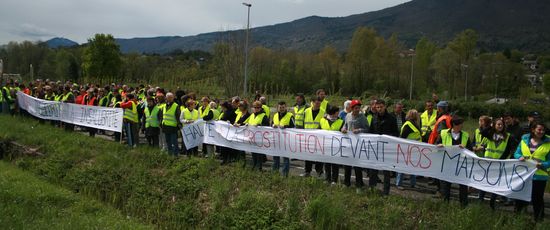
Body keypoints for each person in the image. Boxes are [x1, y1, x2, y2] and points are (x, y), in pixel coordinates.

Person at [514, 121, 549, 221]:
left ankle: (538, 220)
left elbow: (549, 160)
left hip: (539, 175)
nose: (541, 131)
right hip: (523, 175)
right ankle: (517, 218)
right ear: (533, 130)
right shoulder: (524, 140)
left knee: (537, 199)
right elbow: (517, 153)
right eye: (539, 129)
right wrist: (519, 157)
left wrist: (543, 164)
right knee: (520, 197)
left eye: (543, 130)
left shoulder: (549, 143)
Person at [477, 118, 513, 209]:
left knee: (495, 183)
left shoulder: (508, 136)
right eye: (498, 124)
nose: (500, 126)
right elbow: (482, 132)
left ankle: (492, 202)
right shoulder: (490, 134)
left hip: (499, 163)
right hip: (488, 162)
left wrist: (502, 160)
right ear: (494, 125)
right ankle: (480, 199)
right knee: (484, 181)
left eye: (502, 124)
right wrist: (490, 126)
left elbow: (508, 150)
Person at [436, 116, 472, 206]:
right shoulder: (444, 133)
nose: (462, 126)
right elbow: (436, 144)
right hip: (447, 164)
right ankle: (445, 205)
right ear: (454, 125)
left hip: (461, 165)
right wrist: (439, 145)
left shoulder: (465, 135)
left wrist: (465, 148)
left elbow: (470, 149)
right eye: (460, 124)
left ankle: (463, 206)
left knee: (463, 187)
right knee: (445, 186)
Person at [369, 99, 398, 195]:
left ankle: (386, 192)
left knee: (386, 172)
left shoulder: (391, 118)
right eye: (378, 107)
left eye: (381, 107)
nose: (379, 109)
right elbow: (370, 132)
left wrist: (386, 137)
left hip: (387, 149)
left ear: (385, 106)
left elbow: (396, 133)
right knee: (373, 170)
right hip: (375, 148)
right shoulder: (374, 118)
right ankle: (372, 189)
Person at [341, 100, 368, 191]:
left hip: (358, 145)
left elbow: (367, 128)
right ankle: (346, 183)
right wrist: (343, 129)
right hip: (348, 144)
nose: (357, 110)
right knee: (347, 165)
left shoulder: (362, 117)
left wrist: (359, 130)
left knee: (357, 166)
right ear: (351, 108)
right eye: (356, 108)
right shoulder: (347, 116)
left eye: (358, 108)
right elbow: (345, 125)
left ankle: (359, 184)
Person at [396, 109, 421, 190]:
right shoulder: (408, 125)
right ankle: (398, 183)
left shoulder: (413, 124)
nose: (418, 116)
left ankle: (413, 184)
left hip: (413, 149)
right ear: (414, 116)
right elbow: (403, 138)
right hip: (406, 149)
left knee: (412, 166)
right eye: (417, 115)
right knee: (403, 166)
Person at [301, 96, 325, 177]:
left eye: (320, 103)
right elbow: (304, 123)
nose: (318, 105)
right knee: (308, 155)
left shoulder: (323, 112)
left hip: (319, 138)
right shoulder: (306, 111)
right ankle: (307, 171)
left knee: (319, 155)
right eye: (317, 103)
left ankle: (319, 171)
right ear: (312, 102)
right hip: (308, 137)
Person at [321, 105, 344, 185]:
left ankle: (334, 180)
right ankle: (327, 178)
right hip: (326, 145)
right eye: (337, 112)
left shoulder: (341, 121)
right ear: (333, 113)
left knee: (335, 164)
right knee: (327, 163)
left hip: (336, 146)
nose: (338, 113)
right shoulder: (322, 120)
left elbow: (343, 131)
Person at [272, 101, 294, 177]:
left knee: (285, 158)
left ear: (286, 107)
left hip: (286, 141)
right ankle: (275, 173)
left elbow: (293, 128)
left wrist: (285, 126)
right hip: (276, 140)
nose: (281, 109)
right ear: (277, 108)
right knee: (275, 157)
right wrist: (273, 125)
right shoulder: (275, 115)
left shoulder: (290, 115)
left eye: (283, 107)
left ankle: (285, 175)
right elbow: (271, 125)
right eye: (280, 107)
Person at [247, 101, 269, 170]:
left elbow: (267, 126)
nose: (256, 109)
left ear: (260, 108)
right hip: (252, 137)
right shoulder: (252, 115)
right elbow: (248, 122)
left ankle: (259, 166)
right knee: (253, 152)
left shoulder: (264, 116)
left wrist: (260, 125)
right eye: (255, 107)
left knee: (259, 153)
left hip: (260, 138)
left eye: (258, 107)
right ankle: (254, 165)